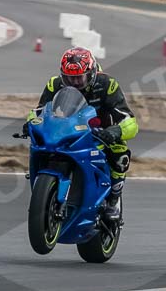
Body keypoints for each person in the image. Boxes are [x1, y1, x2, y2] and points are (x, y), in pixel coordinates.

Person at [27, 47, 138, 221]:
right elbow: (39, 111)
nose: (74, 83)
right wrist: (31, 123)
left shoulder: (107, 85)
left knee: (120, 153)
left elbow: (129, 120)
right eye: (69, 78)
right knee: (39, 145)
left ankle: (113, 200)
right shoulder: (54, 84)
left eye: (79, 78)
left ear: (91, 74)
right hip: (66, 130)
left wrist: (115, 131)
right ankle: (45, 192)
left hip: (99, 133)